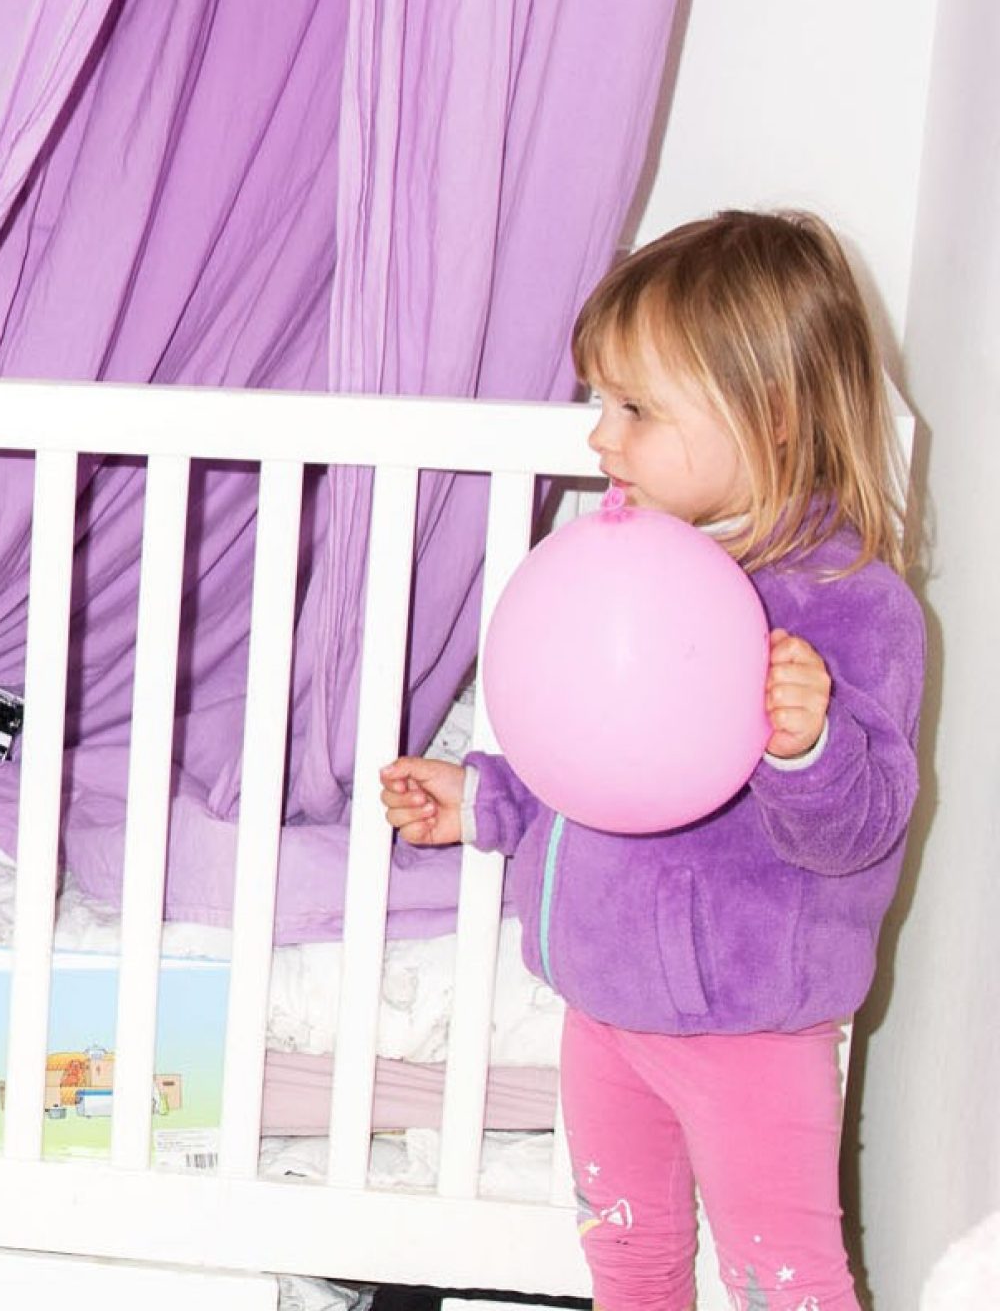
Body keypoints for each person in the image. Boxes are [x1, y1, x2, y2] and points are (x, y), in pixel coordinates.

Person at [382, 211, 922, 1311]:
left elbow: (862, 829)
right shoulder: (625, 564)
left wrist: (807, 743)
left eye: (634, 409)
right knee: (627, 1259)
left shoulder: (844, 599)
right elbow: (586, 752)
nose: (599, 440)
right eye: (599, 402)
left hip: (748, 1023)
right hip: (606, 999)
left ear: (766, 417)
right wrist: (482, 798)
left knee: (787, 1280)